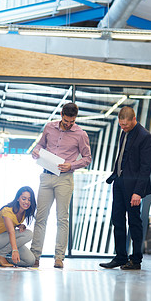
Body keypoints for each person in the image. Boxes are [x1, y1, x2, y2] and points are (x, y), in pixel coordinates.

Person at [30, 102, 91, 268]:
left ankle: (59, 258)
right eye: (66, 121)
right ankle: (34, 256)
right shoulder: (49, 127)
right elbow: (40, 145)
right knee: (40, 218)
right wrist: (36, 151)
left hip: (64, 179)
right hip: (46, 177)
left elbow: (87, 158)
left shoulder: (80, 134)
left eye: (72, 121)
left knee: (62, 219)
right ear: (61, 114)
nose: (69, 124)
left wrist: (71, 165)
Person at [100, 106, 151, 270]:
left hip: (134, 187)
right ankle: (120, 257)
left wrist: (138, 192)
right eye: (121, 125)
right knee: (117, 220)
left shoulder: (145, 137)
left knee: (134, 222)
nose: (123, 128)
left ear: (134, 119)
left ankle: (136, 260)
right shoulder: (124, 132)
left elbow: (145, 168)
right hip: (119, 182)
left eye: (126, 125)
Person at [0, 186, 36, 267]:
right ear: (18, 198)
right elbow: (11, 232)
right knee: (28, 234)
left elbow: (11, 223)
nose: (27, 202)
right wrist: (14, 250)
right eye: (24, 198)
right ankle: (0, 255)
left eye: (29, 199)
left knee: (30, 261)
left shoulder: (24, 212)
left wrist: (19, 225)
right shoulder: (7, 211)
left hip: (6, 240)